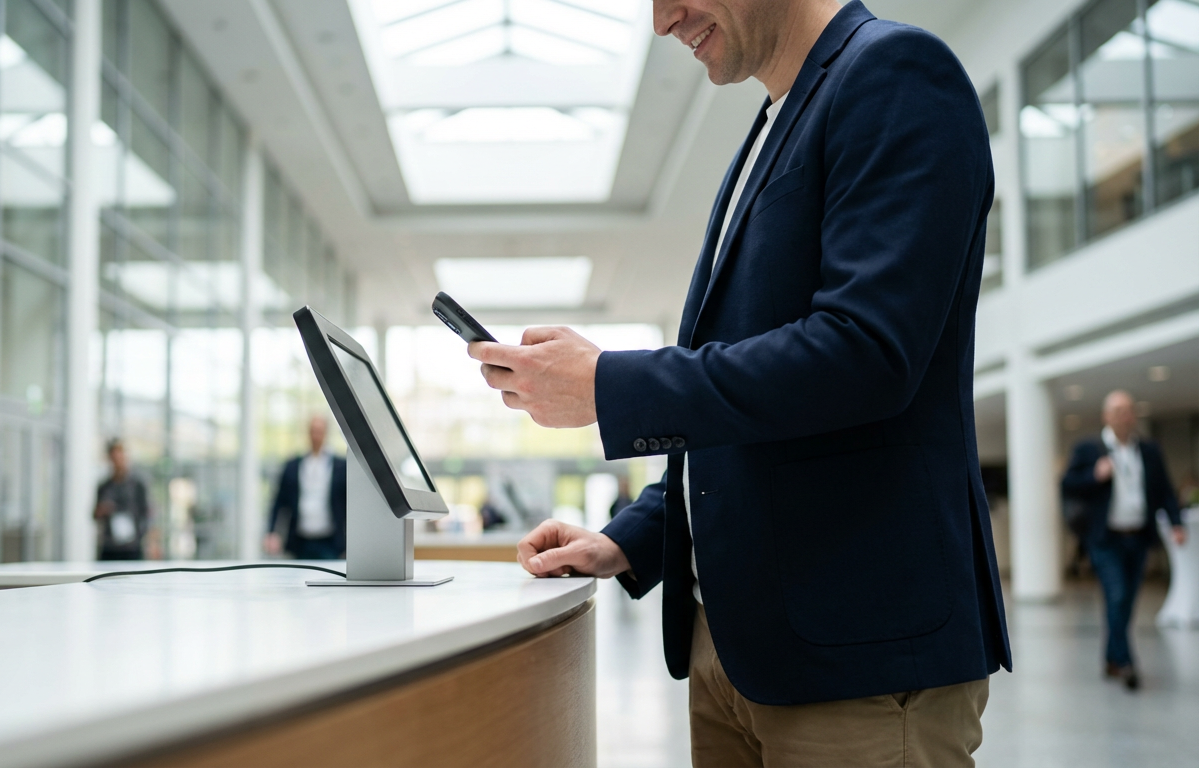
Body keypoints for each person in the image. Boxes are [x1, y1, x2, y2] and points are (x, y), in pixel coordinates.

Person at [466, 1, 1010, 764]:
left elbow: (865, 354)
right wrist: (631, 539)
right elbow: (758, 415)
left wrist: (610, 386)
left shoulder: (896, 74)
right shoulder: (769, 125)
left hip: (856, 661)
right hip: (735, 649)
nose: (662, 22)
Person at [1061, 390, 1187, 690]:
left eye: (1129, 410)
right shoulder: (1090, 450)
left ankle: (1111, 659)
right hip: (1106, 539)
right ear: (1106, 416)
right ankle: (1127, 663)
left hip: (1138, 538)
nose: (1124, 416)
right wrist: (1095, 476)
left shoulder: (1149, 450)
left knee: (1126, 602)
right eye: (1117, 411)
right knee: (1116, 596)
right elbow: (1067, 484)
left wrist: (1176, 523)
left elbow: (1165, 491)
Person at [265, 416, 347, 560]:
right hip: (300, 541)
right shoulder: (293, 466)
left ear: (325, 433)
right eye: (313, 431)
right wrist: (272, 531)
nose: (316, 436)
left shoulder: (341, 466)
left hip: (330, 541)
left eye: (319, 431)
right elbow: (279, 501)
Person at [94, 439, 150, 561]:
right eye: (114, 457)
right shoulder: (104, 487)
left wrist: (143, 536)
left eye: (120, 455)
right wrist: (102, 511)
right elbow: (94, 515)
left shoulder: (138, 485)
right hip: (109, 547)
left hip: (132, 547)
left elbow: (146, 512)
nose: (118, 460)